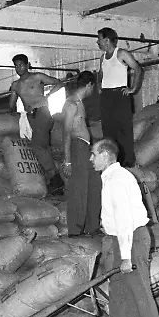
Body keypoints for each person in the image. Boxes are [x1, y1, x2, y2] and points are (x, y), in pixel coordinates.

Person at [88, 139, 159, 317]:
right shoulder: (111, 178)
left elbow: (124, 221)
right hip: (119, 239)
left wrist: (125, 256)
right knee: (119, 293)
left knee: (140, 295)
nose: (91, 159)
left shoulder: (117, 180)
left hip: (130, 239)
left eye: (93, 154)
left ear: (104, 155)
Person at [8, 53, 65, 192]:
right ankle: (53, 179)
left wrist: (48, 95)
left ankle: (55, 177)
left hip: (42, 112)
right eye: (16, 66)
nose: (18, 68)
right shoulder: (16, 85)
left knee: (37, 145)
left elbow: (58, 82)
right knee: (43, 146)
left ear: (27, 65)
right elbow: (11, 104)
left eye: (21, 65)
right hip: (30, 116)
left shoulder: (37, 77)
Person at [60, 71, 101, 237]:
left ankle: (92, 226)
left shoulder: (80, 102)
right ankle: (75, 231)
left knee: (95, 185)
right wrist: (67, 160)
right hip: (77, 148)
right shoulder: (71, 104)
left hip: (86, 148)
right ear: (90, 85)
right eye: (94, 86)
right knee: (79, 189)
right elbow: (66, 132)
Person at [96, 28, 142, 167]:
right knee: (108, 129)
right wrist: (99, 84)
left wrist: (133, 88)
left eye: (99, 39)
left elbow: (138, 69)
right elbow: (100, 72)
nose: (97, 42)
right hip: (106, 96)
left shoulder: (121, 53)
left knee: (124, 129)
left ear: (107, 40)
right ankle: (111, 161)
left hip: (120, 95)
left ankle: (127, 162)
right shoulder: (103, 57)